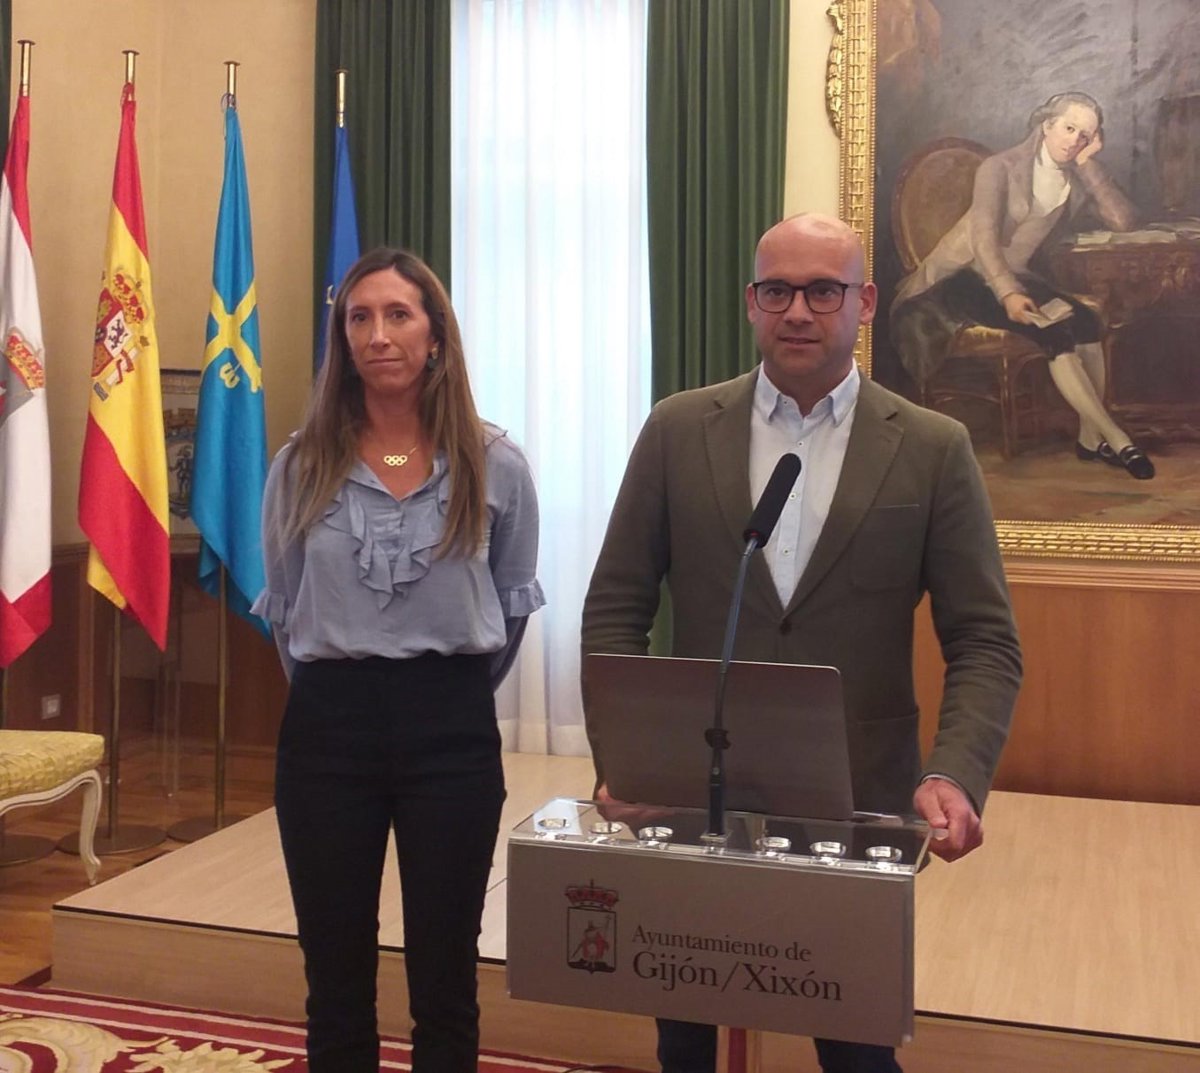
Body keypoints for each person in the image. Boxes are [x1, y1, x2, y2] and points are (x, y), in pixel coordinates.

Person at [581, 213, 1022, 1073]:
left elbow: (984, 639)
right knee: (686, 1048)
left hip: (860, 802)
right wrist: (627, 759)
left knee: (858, 1054)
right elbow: (614, 608)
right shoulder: (677, 429)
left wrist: (955, 772)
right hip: (693, 802)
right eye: (777, 290)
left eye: (823, 291)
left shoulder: (933, 447)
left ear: (865, 302)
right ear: (751, 302)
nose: (797, 311)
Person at [253, 247, 544, 1073]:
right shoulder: (300, 464)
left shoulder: (497, 463)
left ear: (435, 335)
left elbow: (508, 603)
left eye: (398, 314)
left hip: (449, 729)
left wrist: (438, 684)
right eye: (359, 317)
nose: (378, 334)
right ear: (342, 340)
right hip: (327, 732)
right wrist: (350, 682)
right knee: (334, 970)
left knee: (446, 971)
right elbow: (287, 606)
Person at [891, 91, 1155, 479]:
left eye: (1085, 135)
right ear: (1047, 125)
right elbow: (983, 239)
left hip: (1012, 274)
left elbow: (1123, 220)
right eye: (1069, 128)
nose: (1075, 140)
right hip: (959, 278)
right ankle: (1117, 437)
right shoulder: (999, 167)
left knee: (1086, 323)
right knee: (1053, 332)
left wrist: (1088, 164)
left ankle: (1089, 438)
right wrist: (1009, 293)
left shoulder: (1073, 175)